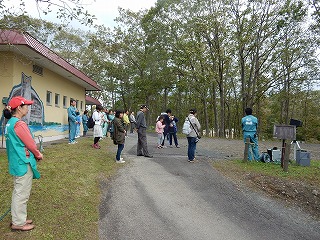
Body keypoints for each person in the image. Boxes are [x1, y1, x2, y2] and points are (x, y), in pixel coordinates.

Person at [3, 96, 43, 231]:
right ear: (19, 108)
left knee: (18, 191)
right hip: (22, 162)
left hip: (15, 162)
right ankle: (18, 223)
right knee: (21, 194)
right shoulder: (19, 124)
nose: (28, 107)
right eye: (26, 105)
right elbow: (30, 143)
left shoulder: (9, 123)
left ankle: (19, 217)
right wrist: (38, 154)